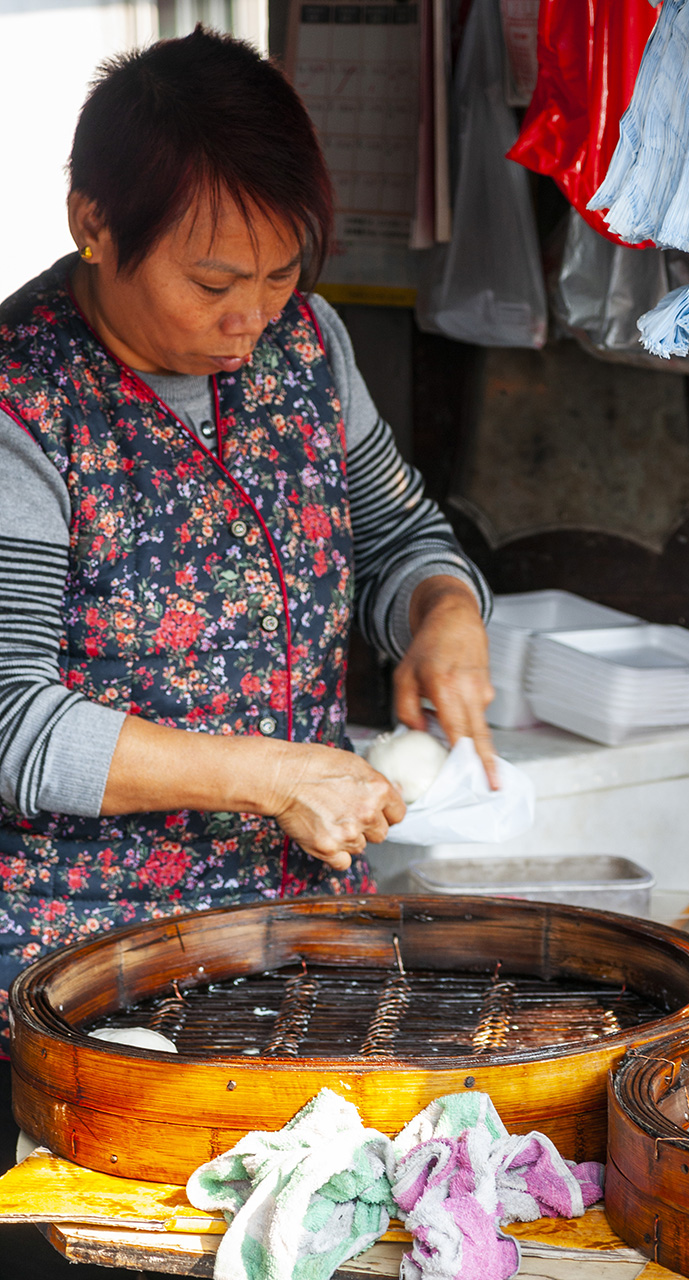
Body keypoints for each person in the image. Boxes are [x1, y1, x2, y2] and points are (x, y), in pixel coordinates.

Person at [0, 23, 495, 1101]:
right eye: (215, 279)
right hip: (81, 959)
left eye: (279, 274)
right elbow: (10, 718)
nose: (251, 318)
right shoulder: (20, 406)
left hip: (303, 932)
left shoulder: (309, 344)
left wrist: (443, 613)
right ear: (94, 224)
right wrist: (272, 775)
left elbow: (401, 537)